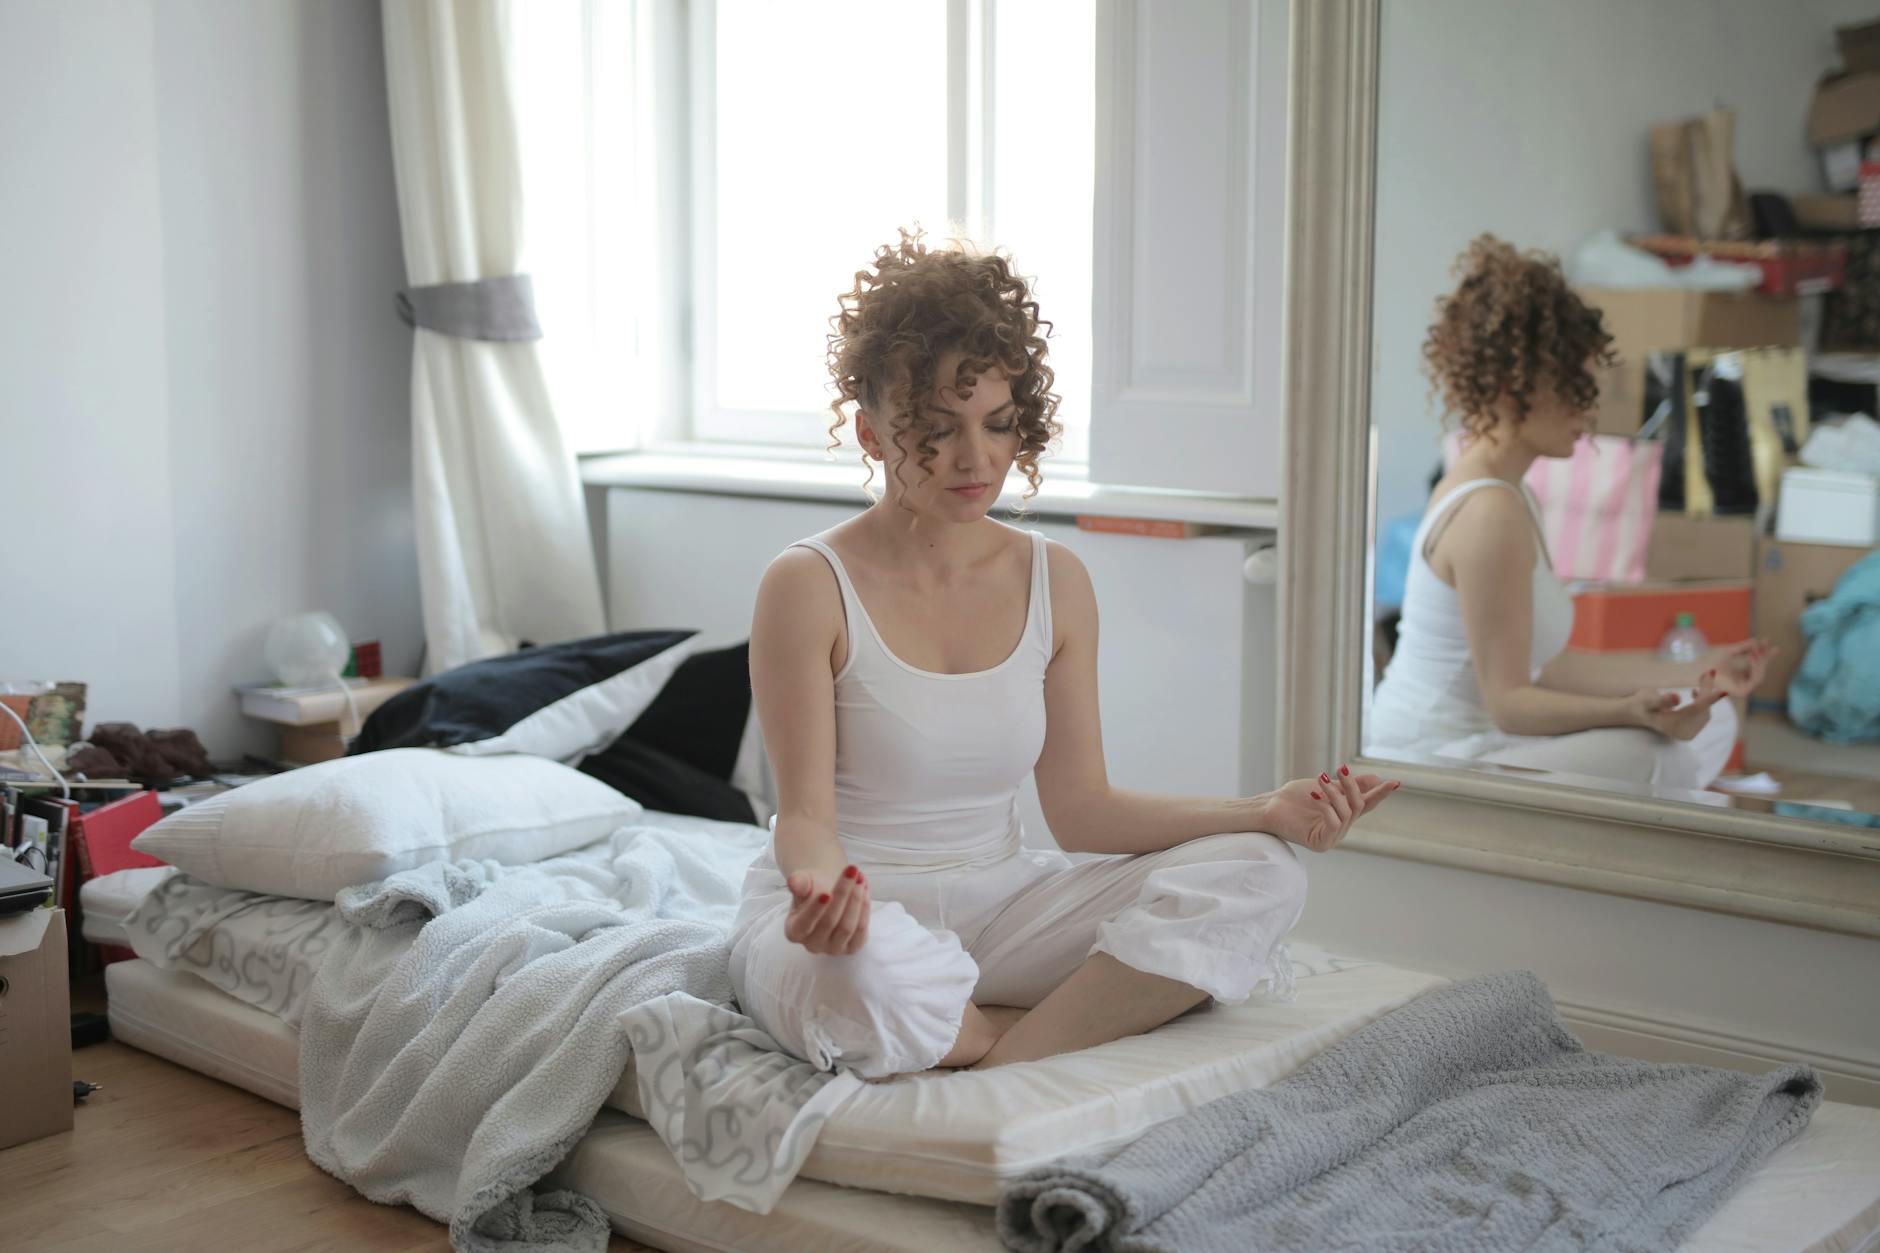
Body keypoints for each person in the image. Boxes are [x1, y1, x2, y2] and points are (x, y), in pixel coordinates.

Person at [728, 230, 1398, 1079]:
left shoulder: (1056, 578)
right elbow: (807, 819)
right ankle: (1008, 1025)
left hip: (1003, 902)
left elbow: (1083, 810)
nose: (977, 457)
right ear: (870, 431)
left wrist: (1262, 809)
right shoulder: (807, 582)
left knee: (1263, 876)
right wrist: (820, 898)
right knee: (857, 980)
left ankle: (997, 1047)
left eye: (999, 424)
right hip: (859, 911)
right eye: (937, 428)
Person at [1368, 235, 1773, 794]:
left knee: (1713, 720)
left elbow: (1552, 668)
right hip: (1433, 757)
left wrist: (1702, 669)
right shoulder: (1489, 512)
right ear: (1515, 389)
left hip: (1485, 740)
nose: (1590, 406)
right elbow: (1511, 704)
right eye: (1576, 387)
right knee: (1661, 758)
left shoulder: (1510, 491)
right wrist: (1633, 712)